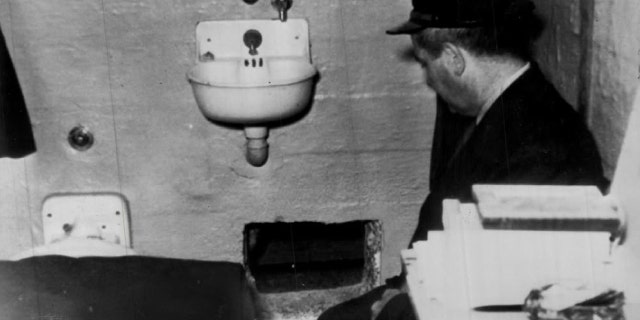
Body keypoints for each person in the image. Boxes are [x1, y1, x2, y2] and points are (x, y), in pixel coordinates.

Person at [318, 0, 608, 319]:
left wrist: (398, 307)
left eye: (425, 63)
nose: (428, 79)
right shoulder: (509, 105)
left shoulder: (541, 148)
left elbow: (501, 298)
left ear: (455, 58)